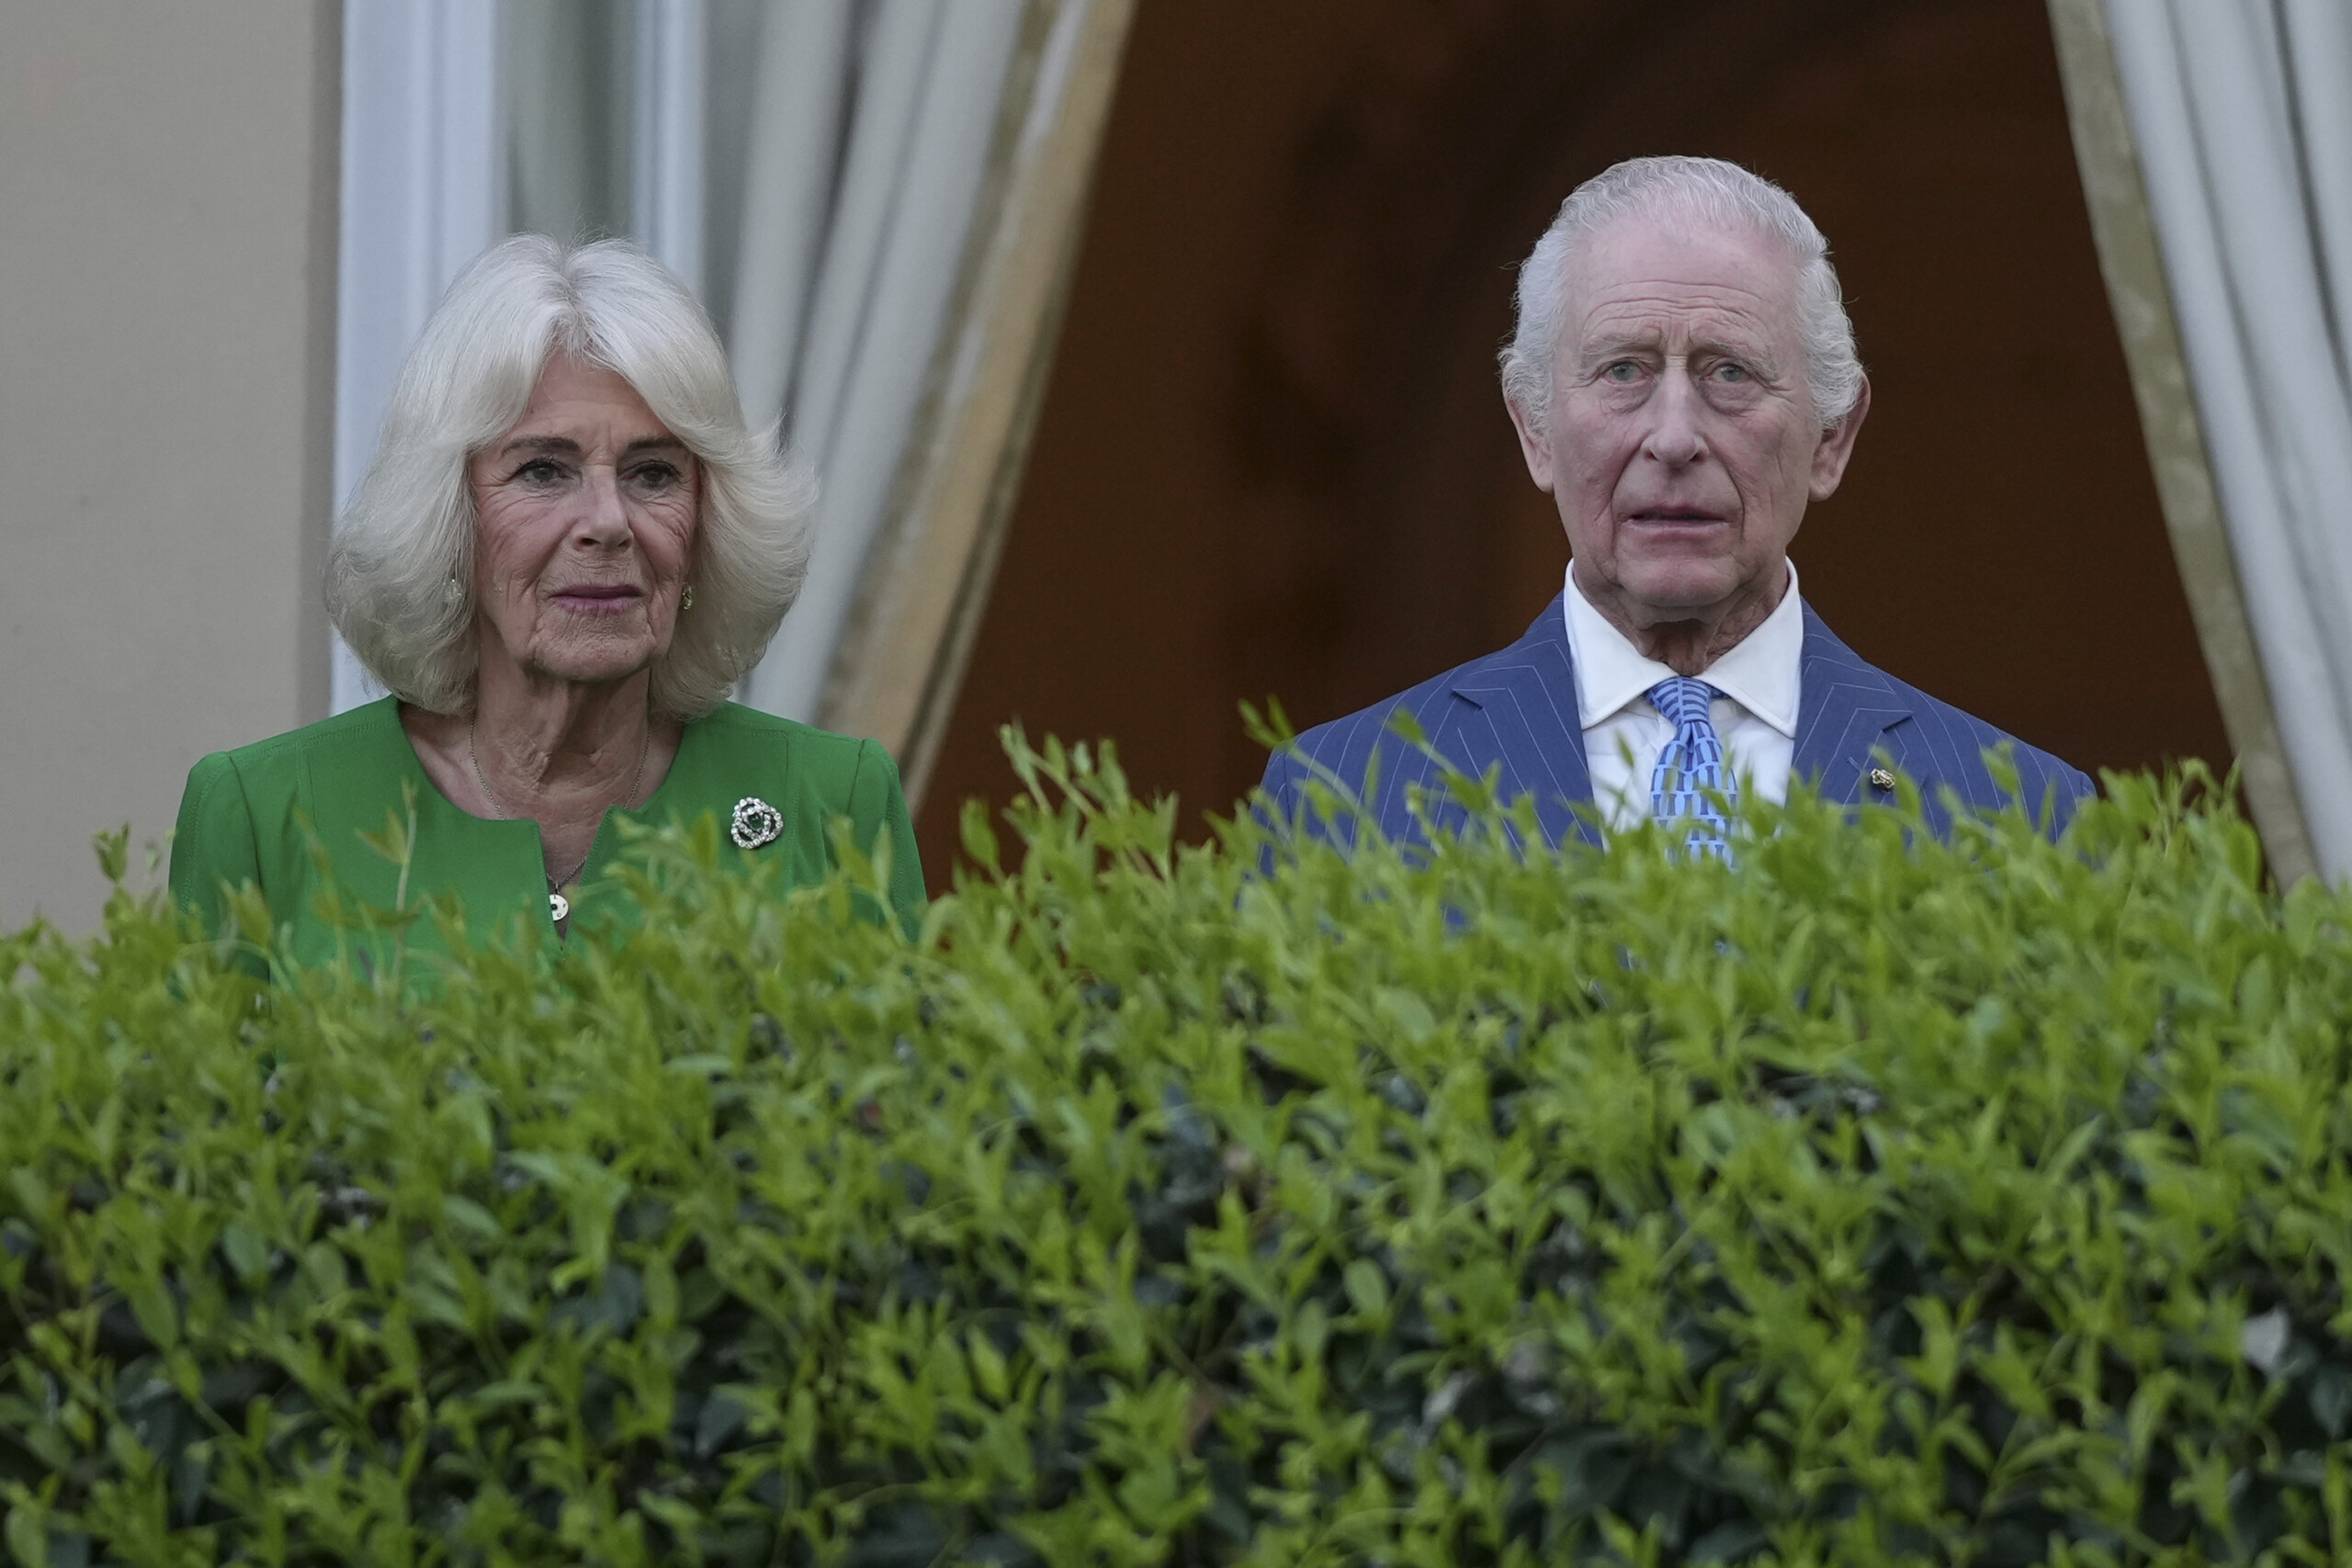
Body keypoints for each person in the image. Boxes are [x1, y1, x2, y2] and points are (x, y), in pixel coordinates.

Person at [1261, 156, 2093, 852]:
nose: (1673, 436)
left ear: (1832, 436)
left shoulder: (2019, 815)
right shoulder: (1342, 800)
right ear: (1535, 431)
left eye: (1729, 371)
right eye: (1623, 370)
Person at [171, 236, 923, 967]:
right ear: (451, 519)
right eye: (542, 471)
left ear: (706, 526)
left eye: (654, 473)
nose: (607, 522)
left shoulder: (834, 802)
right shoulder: (261, 817)